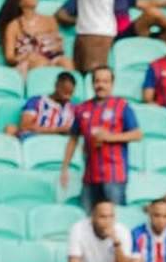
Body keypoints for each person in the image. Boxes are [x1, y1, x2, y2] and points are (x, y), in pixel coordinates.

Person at [59, 65, 141, 209]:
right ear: (92, 84)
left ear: (112, 84)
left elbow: (137, 134)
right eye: (97, 81)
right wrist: (65, 167)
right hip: (90, 175)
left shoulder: (122, 106)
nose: (100, 85)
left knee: (115, 218)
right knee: (87, 218)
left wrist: (109, 137)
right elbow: (73, 139)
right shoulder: (82, 108)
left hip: (115, 174)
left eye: (105, 81)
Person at [0, 0, 68, 74]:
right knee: (40, 63)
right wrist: (25, 57)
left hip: (52, 58)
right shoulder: (13, 26)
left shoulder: (50, 20)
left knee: (66, 63)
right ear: (20, 2)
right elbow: (9, 57)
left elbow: (59, 46)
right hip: (27, 63)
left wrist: (55, 45)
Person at [66, 200, 133, 262]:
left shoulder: (122, 231)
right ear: (93, 217)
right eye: (103, 217)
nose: (108, 221)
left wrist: (116, 243)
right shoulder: (78, 228)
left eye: (111, 216)